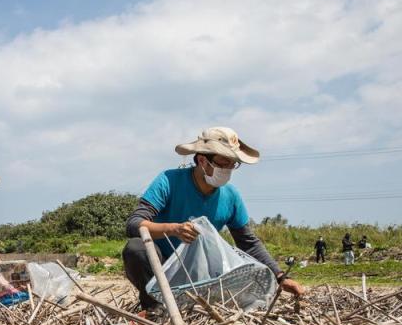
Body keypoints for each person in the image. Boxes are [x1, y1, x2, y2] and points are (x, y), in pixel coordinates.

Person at [121, 126, 304, 310]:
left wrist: (280, 277)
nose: (228, 169)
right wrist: (174, 229)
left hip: (200, 273)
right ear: (202, 160)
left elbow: (248, 243)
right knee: (136, 248)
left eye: (233, 164)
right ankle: (154, 309)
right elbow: (134, 224)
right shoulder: (169, 181)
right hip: (160, 268)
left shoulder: (231, 196)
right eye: (223, 163)